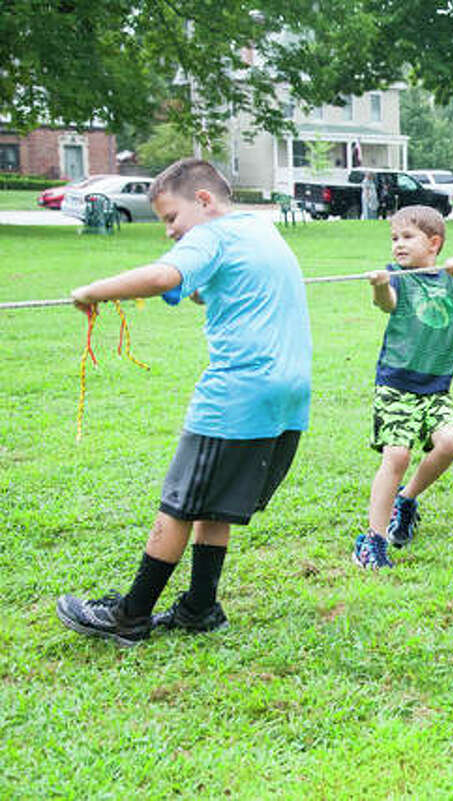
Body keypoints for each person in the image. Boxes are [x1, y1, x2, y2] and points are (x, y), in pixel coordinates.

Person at [55, 158, 312, 645]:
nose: (170, 232)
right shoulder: (258, 230)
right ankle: (199, 607)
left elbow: (161, 279)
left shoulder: (211, 235)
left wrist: (92, 291)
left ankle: (130, 615)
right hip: (288, 393)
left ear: (204, 200)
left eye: (171, 218)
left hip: (238, 391)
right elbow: (206, 287)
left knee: (179, 503)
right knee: (213, 503)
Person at [355, 206, 453, 568]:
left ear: (434, 243)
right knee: (397, 456)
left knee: (451, 442)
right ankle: (372, 542)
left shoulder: (452, 277)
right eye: (394, 238)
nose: (398, 244)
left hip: (436, 387)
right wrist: (380, 285)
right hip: (396, 383)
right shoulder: (396, 275)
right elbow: (387, 304)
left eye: (407, 237)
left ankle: (405, 500)